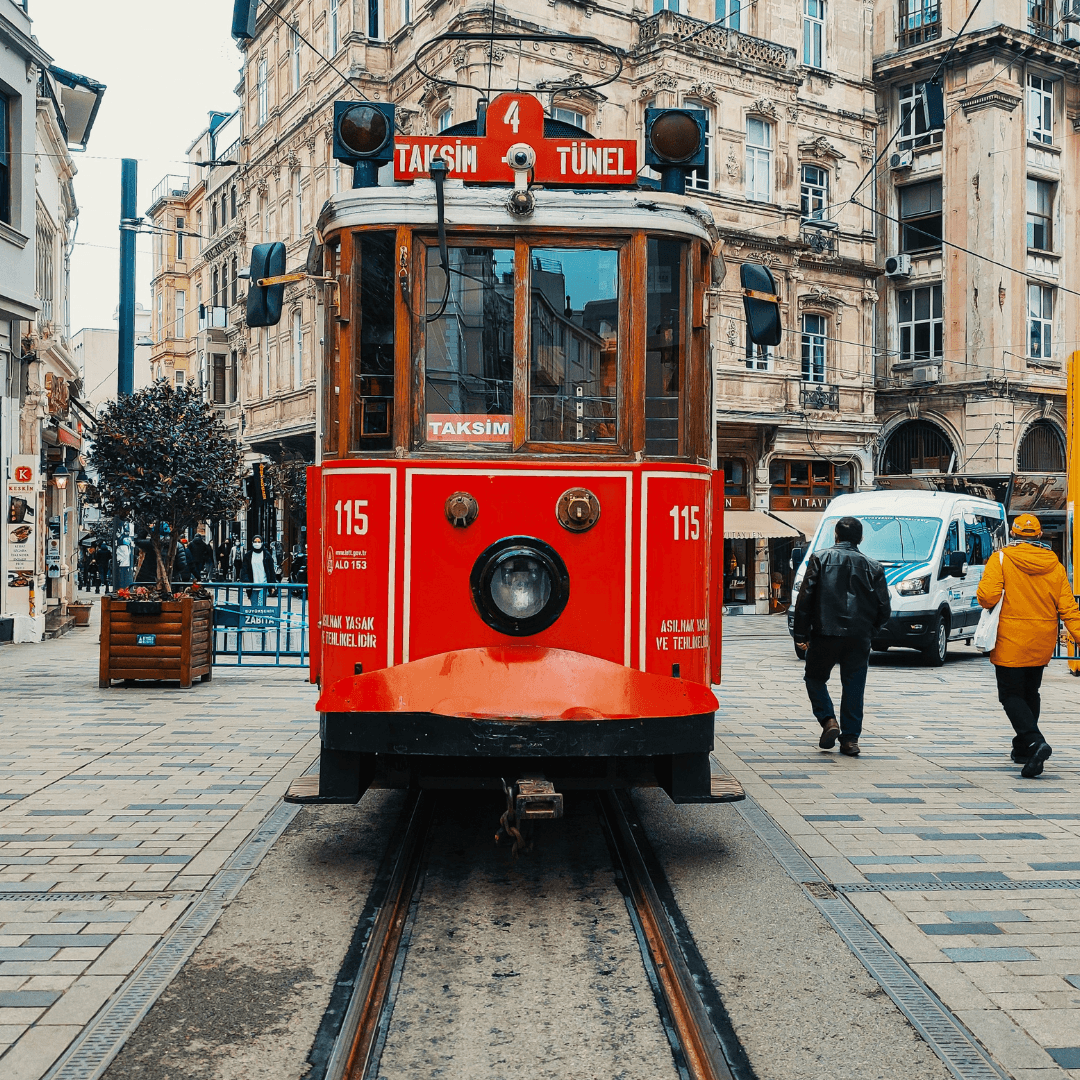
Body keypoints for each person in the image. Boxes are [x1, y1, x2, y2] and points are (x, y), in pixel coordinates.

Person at [976, 513, 1080, 778]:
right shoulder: (1054, 565)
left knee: (1010, 694)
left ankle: (1034, 741)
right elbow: (1068, 607)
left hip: (1010, 638)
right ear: (1038, 535)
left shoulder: (1000, 559)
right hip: (1041, 639)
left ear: (1013, 534)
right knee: (1030, 692)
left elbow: (987, 597)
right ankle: (1022, 748)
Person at [792, 516, 891, 757]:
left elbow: (805, 600)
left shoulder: (820, 558)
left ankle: (828, 720)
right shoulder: (874, 567)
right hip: (859, 636)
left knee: (814, 678)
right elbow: (884, 608)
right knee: (854, 685)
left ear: (835, 536)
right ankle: (850, 740)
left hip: (825, 632)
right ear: (861, 539)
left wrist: (801, 633)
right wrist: (871, 630)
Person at [240, 535, 278, 601]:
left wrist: (272, 585)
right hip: (252, 586)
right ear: (252, 543)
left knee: (261, 607)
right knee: (254, 607)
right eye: (255, 541)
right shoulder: (248, 556)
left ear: (262, 542)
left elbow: (271, 571)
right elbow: (244, 570)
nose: (257, 543)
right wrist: (246, 582)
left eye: (259, 541)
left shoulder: (267, 555)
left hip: (263, 585)